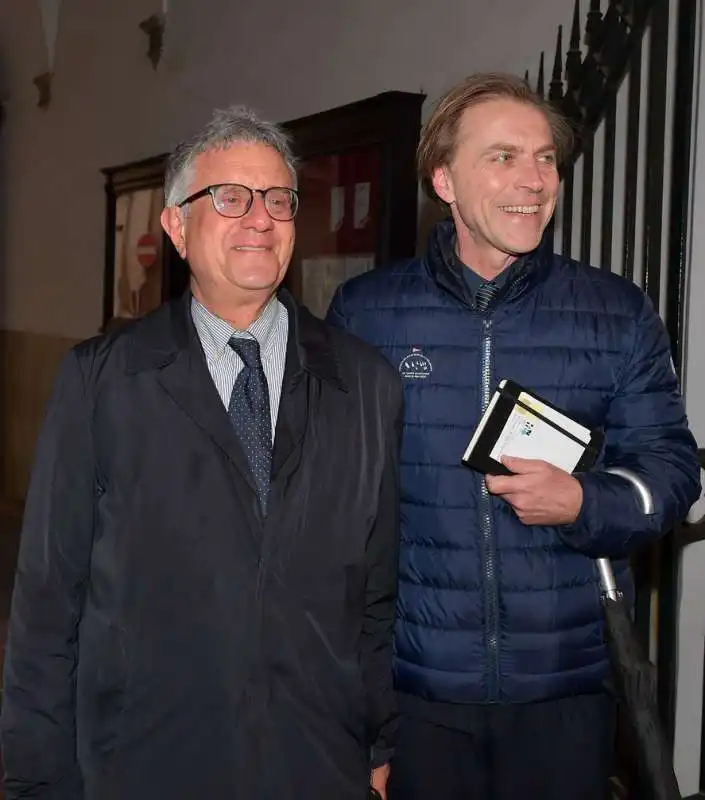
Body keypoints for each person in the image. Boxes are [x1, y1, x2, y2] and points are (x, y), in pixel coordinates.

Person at [1, 106, 402, 800]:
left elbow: (376, 593)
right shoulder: (104, 380)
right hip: (147, 762)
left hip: (314, 761)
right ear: (178, 228)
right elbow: (46, 605)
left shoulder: (364, 383)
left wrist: (379, 739)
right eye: (229, 198)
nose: (260, 219)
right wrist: (37, 780)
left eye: (279, 200)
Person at [327, 73, 701, 800]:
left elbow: (672, 470)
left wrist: (585, 501)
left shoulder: (614, 312)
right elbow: (332, 509)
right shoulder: (367, 313)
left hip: (564, 691)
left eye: (544, 159)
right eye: (502, 157)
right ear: (444, 179)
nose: (532, 179)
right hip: (417, 692)